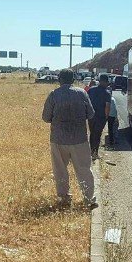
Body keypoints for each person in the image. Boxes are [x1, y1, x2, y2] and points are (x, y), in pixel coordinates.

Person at [42, 68, 97, 208]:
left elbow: (46, 118)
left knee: (60, 169)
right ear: (73, 80)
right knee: (84, 169)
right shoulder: (82, 93)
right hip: (80, 139)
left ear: (59, 79)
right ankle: (89, 199)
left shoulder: (53, 95)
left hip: (58, 139)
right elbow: (90, 114)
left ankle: (64, 198)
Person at [86, 74, 112, 160]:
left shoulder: (91, 90)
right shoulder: (107, 93)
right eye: (107, 82)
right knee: (97, 134)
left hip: (91, 116)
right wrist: (106, 117)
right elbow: (107, 107)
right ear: (105, 82)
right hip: (101, 117)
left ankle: (91, 151)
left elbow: (86, 102)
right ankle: (95, 153)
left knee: (92, 133)